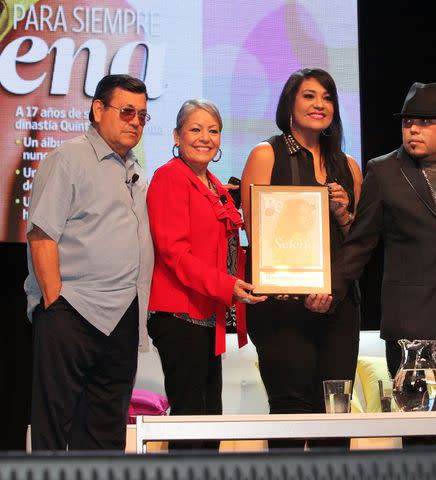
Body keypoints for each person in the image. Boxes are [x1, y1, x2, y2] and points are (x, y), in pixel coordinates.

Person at [335, 82, 436, 436]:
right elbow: (361, 243)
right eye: (408, 122)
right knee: (419, 433)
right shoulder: (384, 171)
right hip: (414, 324)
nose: (413, 129)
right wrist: (329, 289)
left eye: (424, 122)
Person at [25, 74, 154, 450]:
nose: (135, 122)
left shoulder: (135, 170)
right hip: (73, 312)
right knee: (54, 430)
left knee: (106, 432)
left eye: (143, 116)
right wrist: (56, 303)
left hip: (122, 319)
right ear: (98, 110)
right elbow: (41, 235)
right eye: (127, 111)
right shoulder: (68, 158)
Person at [241, 68, 363, 447]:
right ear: (290, 106)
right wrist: (298, 284)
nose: (319, 104)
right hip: (282, 306)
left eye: (327, 97)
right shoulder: (266, 154)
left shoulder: (350, 166)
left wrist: (344, 214)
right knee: (291, 414)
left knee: (334, 417)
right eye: (309, 96)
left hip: (338, 307)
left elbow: (359, 242)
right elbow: (254, 230)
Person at [146, 99, 266, 450]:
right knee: (191, 421)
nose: (205, 138)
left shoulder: (212, 183)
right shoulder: (170, 177)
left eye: (213, 130)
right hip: (180, 314)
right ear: (177, 136)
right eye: (195, 129)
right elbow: (174, 254)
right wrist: (228, 286)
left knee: (208, 421)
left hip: (205, 315)